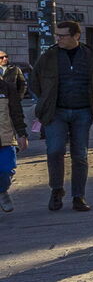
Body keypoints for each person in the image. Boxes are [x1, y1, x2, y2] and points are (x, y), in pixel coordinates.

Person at [33, 21, 93, 212]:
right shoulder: (48, 56)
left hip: (83, 112)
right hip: (56, 112)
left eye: (62, 35)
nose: (58, 38)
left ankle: (78, 197)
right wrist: (46, 101)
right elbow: (35, 82)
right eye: (57, 35)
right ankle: (56, 190)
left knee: (80, 155)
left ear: (76, 36)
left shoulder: (91, 57)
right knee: (55, 151)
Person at [1, 48, 26, 213]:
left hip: (6, 137)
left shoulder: (6, 87)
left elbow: (16, 112)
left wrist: (22, 133)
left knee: (7, 169)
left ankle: (2, 190)